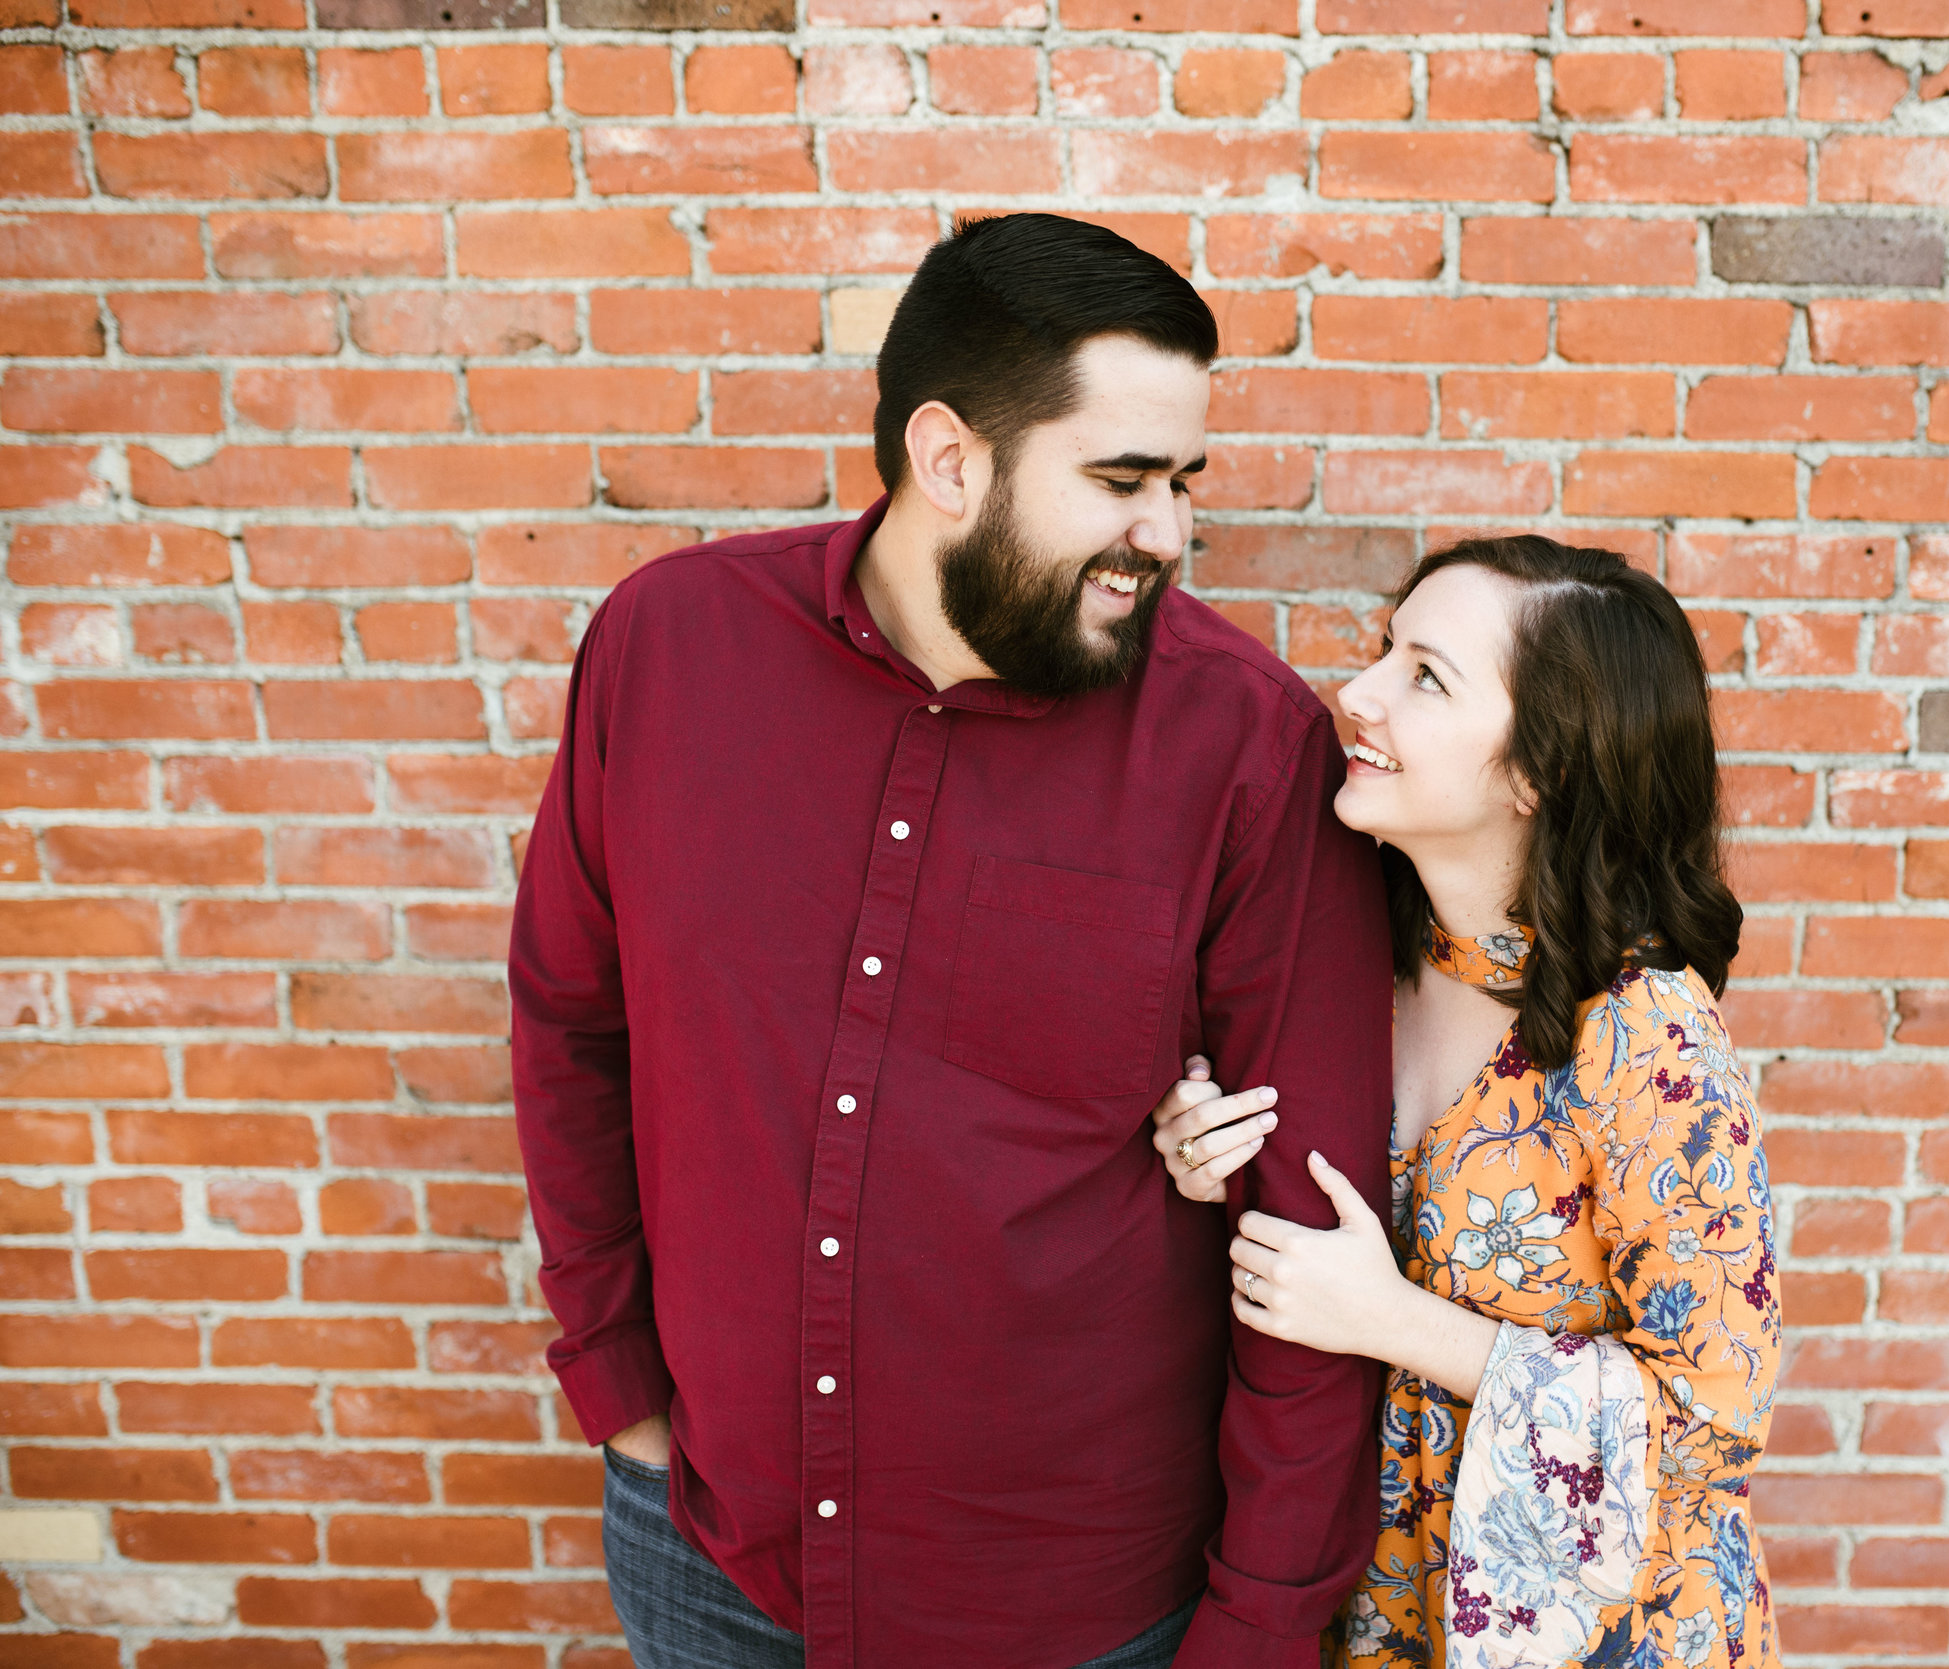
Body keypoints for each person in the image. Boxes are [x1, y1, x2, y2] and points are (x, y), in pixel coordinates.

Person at [508, 212, 1394, 1669]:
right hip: (715, 1559)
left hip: (1077, 1610)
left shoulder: (1245, 746)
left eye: (1183, 483)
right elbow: (570, 1024)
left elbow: (1309, 1230)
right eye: (1120, 480)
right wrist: (627, 1403)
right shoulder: (670, 652)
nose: (1166, 532)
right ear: (950, 457)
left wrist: (1262, 1630)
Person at [1148, 537, 1782, 1669]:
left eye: (1425, 675)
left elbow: (1708, 1426)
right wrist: (1206, 1151)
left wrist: (1395, 1322)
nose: (1357, 692)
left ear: (1540, 767)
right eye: (1385, 649)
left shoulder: (1646, 1038)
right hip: (1368, 1605)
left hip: (1596, 1630)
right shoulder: (1345, 953)